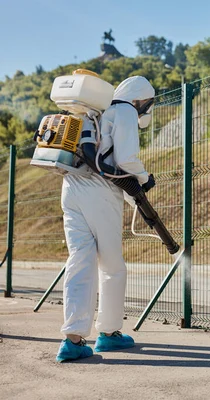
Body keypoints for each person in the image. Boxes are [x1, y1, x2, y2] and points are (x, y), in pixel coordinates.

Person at [56, 76, 155, 362]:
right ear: (139, 100)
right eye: (146, 104)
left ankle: (73, 340)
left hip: (71, 188)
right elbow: (125, 160)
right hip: (99, 193)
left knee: (80, 259)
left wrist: (132, 194)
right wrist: (145, 180)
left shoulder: (95, 111)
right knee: (112, 266)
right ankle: (109, 334)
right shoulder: (123, 110)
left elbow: (103, 159)